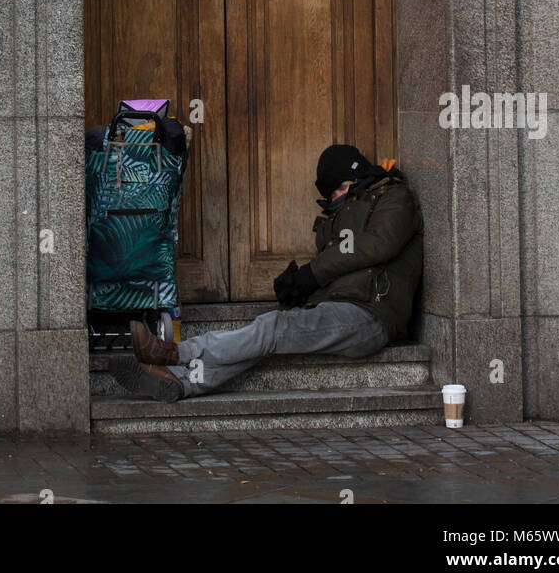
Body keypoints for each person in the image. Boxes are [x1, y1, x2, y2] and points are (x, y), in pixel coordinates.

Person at [110, 144, 424, 401]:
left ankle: (176, 352)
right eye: (331, 196)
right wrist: (300, 288)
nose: (335, 200)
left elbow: (374, 246)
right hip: (341, 310)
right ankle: (181, 381)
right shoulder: (339, 216)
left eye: (339, 190)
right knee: (259, 344)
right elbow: (342, 265)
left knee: (271, 328)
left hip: (371, 316)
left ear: (353, 180)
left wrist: (310, 276)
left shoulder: (394, 197)